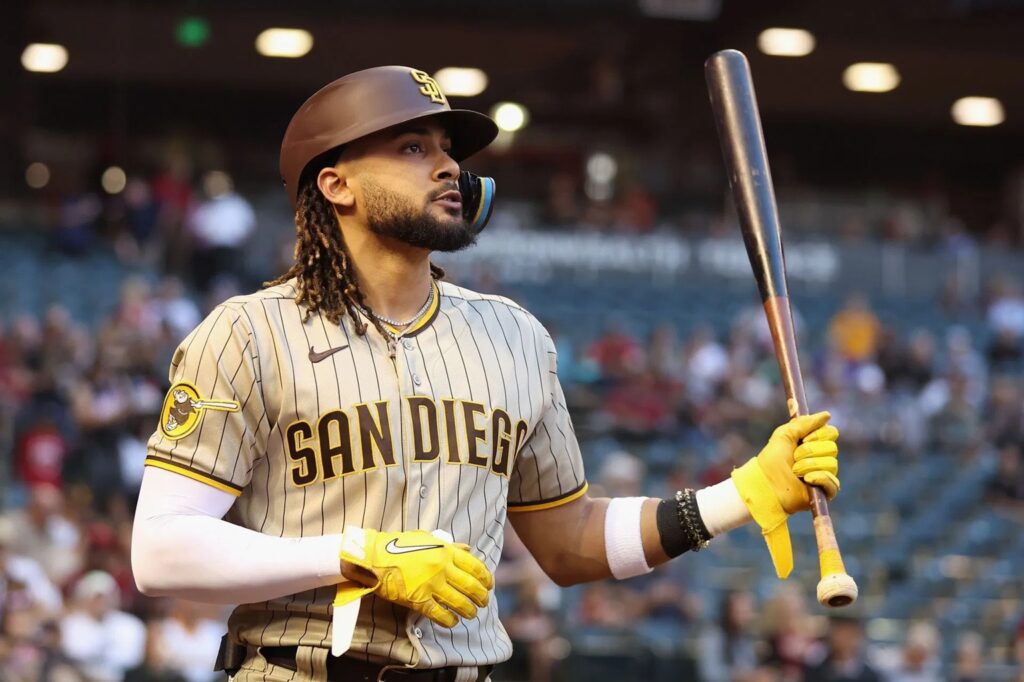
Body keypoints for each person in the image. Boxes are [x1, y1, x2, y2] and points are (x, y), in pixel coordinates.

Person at [130, 65, 842, 681]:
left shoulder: (516, 336)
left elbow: (567, 543)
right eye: (412, 148)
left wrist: (738, 496)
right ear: (336, 184)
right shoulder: (247, 333)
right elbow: (161, 552)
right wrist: (358, 556)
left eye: (446, 151)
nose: (447, 167)